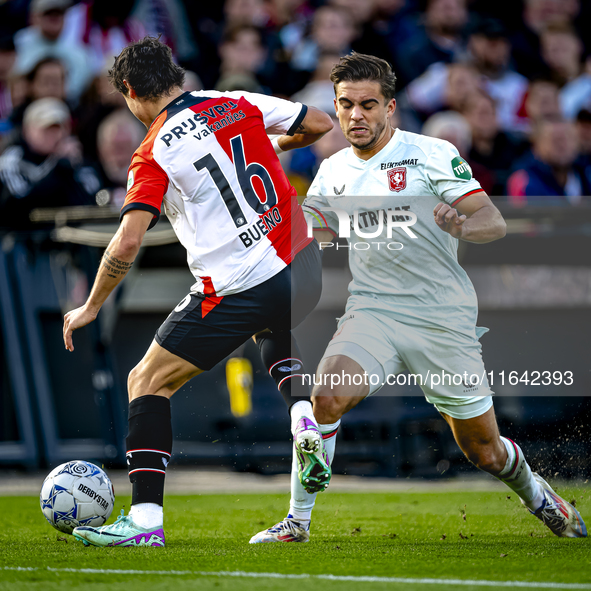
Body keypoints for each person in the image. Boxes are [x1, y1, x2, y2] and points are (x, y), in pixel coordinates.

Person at [251, 52, 587, 543]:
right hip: (373, 310)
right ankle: (298, 522)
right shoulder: (332, 171)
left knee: (484, 451)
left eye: (368, 105)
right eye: (346, 105)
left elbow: (492, 222)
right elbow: (317, 236)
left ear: (390, 108)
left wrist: (462, 224)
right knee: (324, 399)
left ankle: (538, 496)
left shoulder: (431, 153)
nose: (355, 115)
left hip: (440, 317)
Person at [61, 36, 334, 547]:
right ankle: (303, 421)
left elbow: (129, 239)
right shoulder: (233, 101)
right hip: (305, 265)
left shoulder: (153, 151)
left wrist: (90, 305)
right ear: (174, 74)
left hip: (239, 284)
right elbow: (320, 123)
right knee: (272, 323)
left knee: (146, 380)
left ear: (129, 90)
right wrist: (265, 148)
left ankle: (143, 524)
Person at [0, 97, 98, 230]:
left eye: (58, 128)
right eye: (46, 128)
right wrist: (57, 164)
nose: (54, 135)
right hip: (24, 242)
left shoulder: (75, 159)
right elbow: (18, 206)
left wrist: (72, 167)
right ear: (27, 130)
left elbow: (93, 202)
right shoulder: (12, 160)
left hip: (71, 240)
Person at [506, 115, 591, 203]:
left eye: (568, 138)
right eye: (555, 139)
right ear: (536, 145)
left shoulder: (585, 174)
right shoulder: (524, 180)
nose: (562, 145)